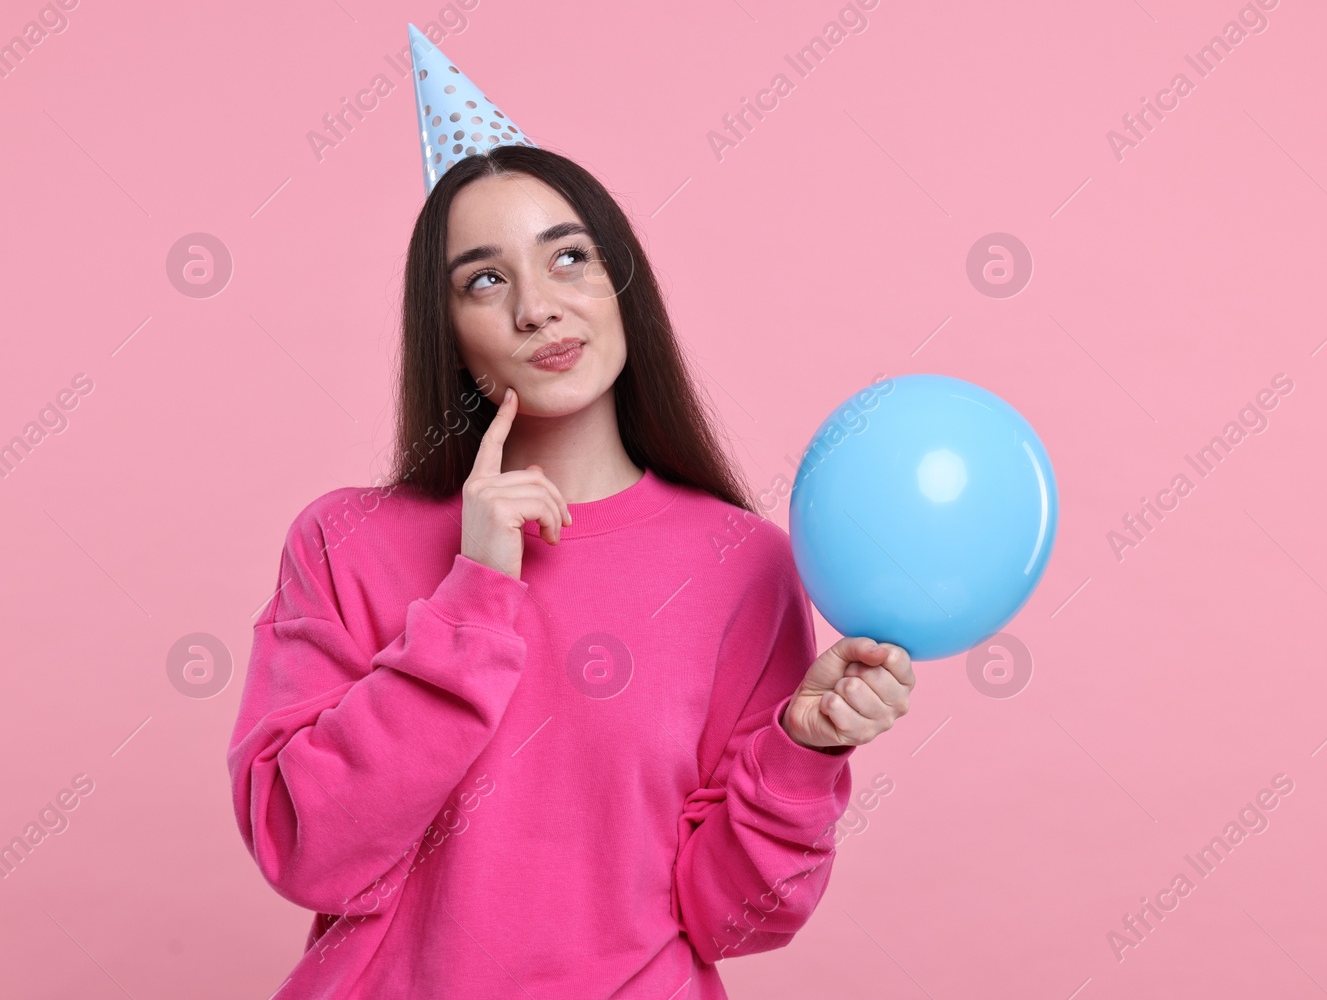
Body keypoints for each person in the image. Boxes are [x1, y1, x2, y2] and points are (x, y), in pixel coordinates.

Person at [225, 132, 916, 998]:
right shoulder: (345, 540)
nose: (537, 307)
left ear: (625, 285)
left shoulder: (743, 564)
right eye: (486, 278)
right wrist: (474, 595)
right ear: (446, 330)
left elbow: (733, 919)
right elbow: (307, 847)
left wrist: (801, 753)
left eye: (569, 258)